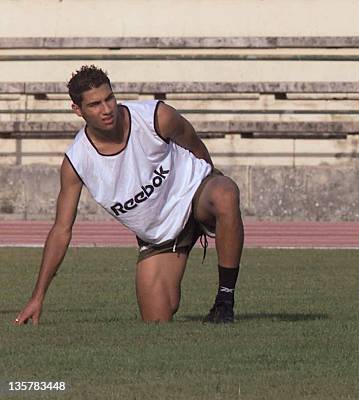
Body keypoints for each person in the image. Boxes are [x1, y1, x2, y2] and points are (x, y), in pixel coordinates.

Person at [14, 65, 243, 324]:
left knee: (225, 193)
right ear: (78, 110)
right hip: (160, 236)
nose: (107, 109)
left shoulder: (156, 116)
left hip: (194, 195)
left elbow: (197, 149)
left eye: (109, 98)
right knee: (156, 322)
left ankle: (225, 302)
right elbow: (61, 230)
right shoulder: (77, 162)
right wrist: (38, 295)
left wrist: (212, 189)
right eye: (95, 104)